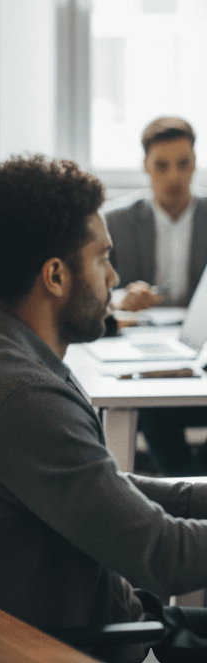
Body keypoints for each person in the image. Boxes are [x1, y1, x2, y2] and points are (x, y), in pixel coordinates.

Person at [0, 155, 207, 663]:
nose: (114, 279)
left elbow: (103, 488)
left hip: (84, 636)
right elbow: (162, 555)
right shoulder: (24, 397)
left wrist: (196, 491)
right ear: (56, 276)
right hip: (99, 658)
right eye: (104, 259)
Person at [106, 117, 207, 475]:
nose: (174, 177)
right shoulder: (116, 221)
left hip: (200, 346)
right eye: (161, 166)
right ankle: (190, 487)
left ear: (195, 162)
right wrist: (120, 298)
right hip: (144, 345)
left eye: (184, 164)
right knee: (150, 405)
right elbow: (96, 292)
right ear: (145, 167)